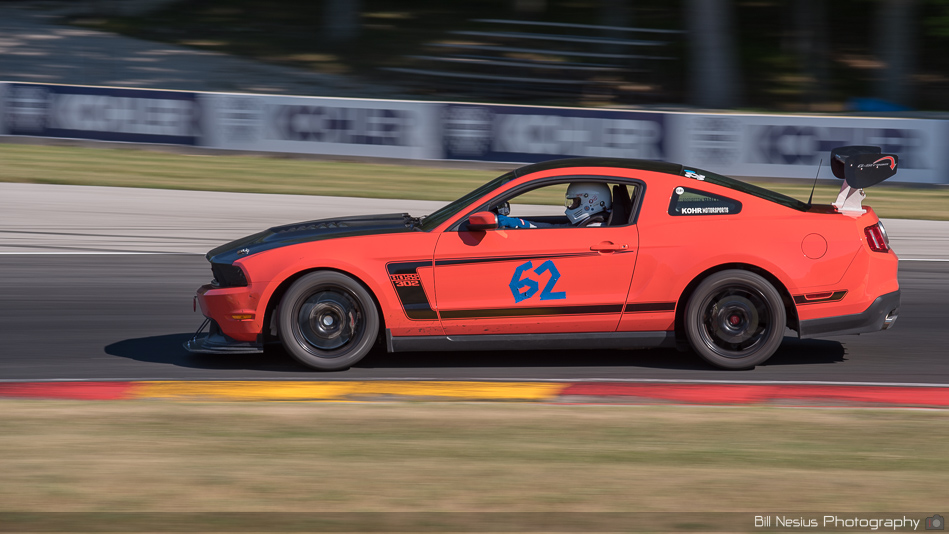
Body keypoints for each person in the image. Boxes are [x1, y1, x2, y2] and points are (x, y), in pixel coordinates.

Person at [497, 182, 612, 229]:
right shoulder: (588, 223)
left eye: (576, 202)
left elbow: (555, 232)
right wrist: (518, 223)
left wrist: (518, 224)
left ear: (591, 202)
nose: (571, 206)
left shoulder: (593, 228)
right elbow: (554, 227)